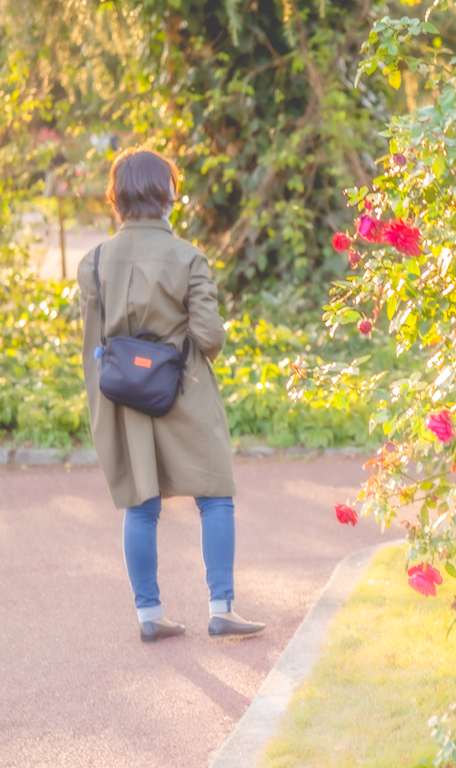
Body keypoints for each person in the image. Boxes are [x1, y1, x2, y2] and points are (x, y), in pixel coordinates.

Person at [78, 148, 264, 643]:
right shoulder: (188, 257)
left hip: (123, 396)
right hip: (184, 387)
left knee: (141, 505)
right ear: (168, 194)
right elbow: (210, 338)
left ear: (115, 197)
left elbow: (92, 343)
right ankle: (221, 608)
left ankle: (149, 615)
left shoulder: (92, 262)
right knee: (215, 495)